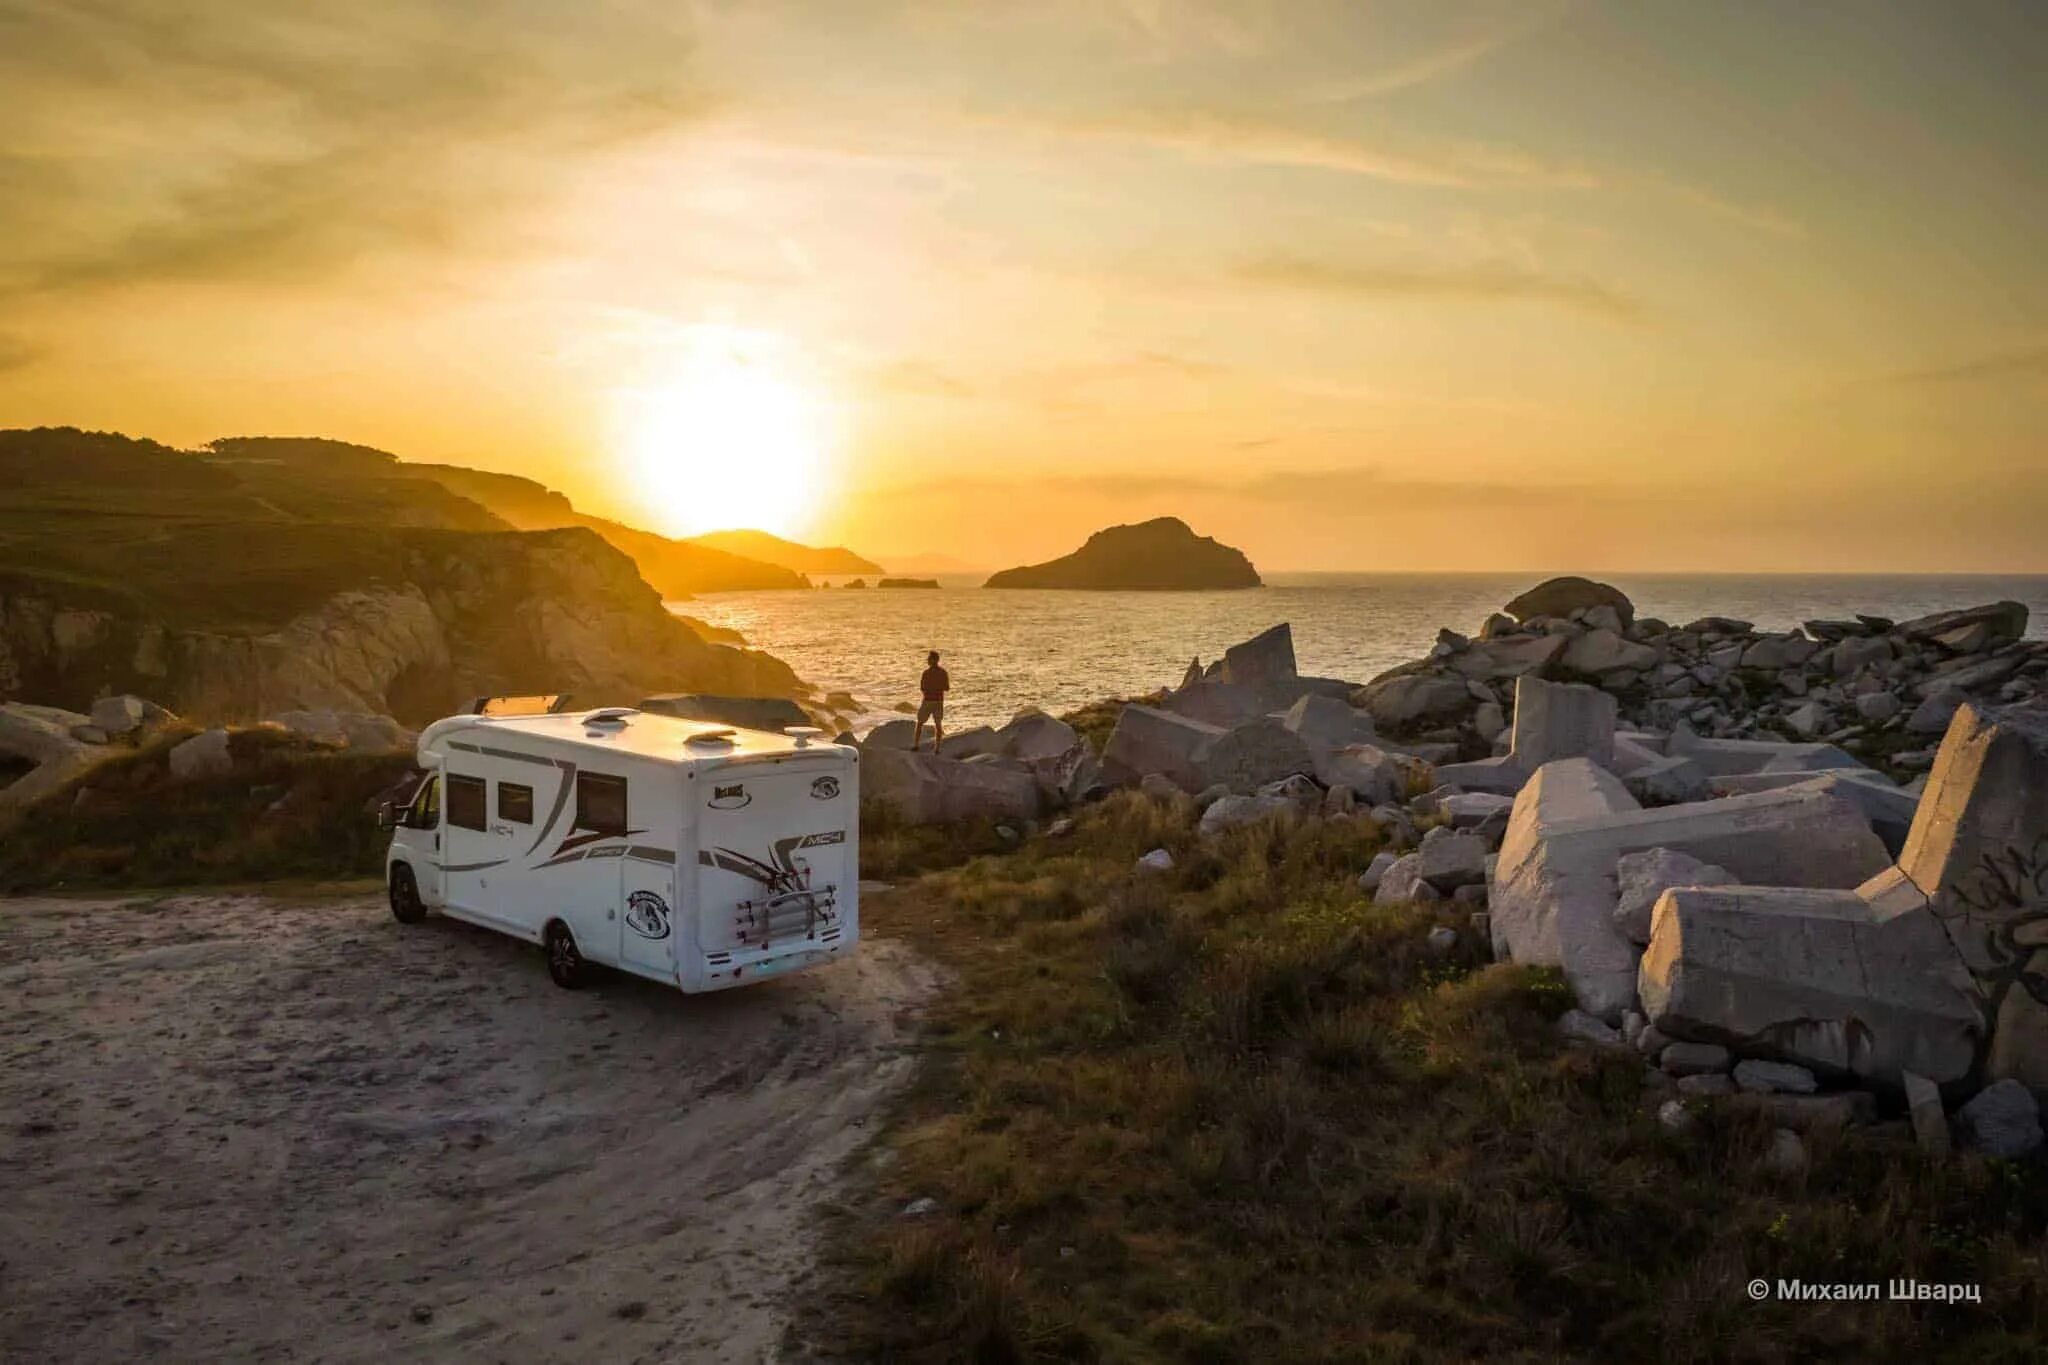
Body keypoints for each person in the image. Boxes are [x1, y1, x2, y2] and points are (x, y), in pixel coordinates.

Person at [913, 650, 949, 751]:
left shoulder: (926, 673)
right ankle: (937, 748)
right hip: (938, 700)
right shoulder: (943, 673)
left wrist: (930, 690)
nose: (927, 660)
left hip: (928, 700)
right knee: (938, 724)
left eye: (929, 659)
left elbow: (922, 688)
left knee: (920, 722)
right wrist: (937, 687)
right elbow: (946, 688)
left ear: (934, 660)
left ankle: (916, 745)